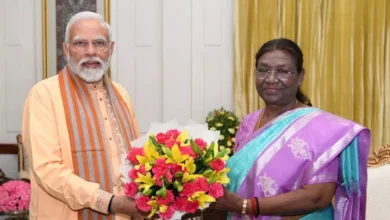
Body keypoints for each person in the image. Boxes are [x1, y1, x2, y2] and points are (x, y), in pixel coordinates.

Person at [207, 38, 370, 219]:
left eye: (283, 71)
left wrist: (245, 205)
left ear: (300, 76)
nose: (270, 79)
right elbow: (239, 182)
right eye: (263, 70)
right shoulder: (249, 122)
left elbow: (318, 197)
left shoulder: (322, 128)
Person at [22, 11, 148, 220]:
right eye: (80, 43)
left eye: (99, 43)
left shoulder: (121, 94)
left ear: (111, 48)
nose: (91, 52)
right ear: (66, 49)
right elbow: (46, 170)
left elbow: (137, 156)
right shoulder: (44, 94)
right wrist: (109, 202)